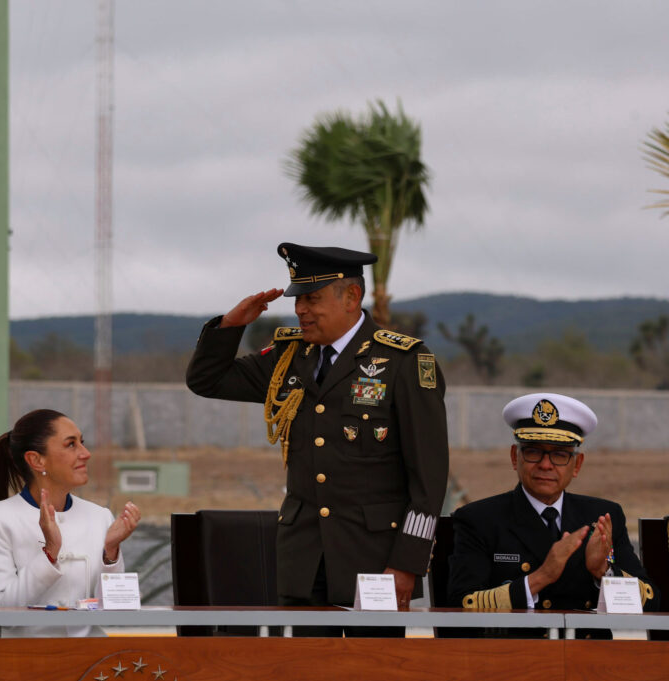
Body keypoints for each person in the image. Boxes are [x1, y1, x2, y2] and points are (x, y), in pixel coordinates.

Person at [186, 243, 449, 623]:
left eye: (312, 298)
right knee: (302, 670)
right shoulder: (289, 357)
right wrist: (230, 326)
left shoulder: (403, 362)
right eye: (297, 300)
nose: (300, 310)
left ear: (352, 297)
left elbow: (428, 478)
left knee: (370, 670)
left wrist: (407, 564)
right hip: (303, 559)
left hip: (374, 562)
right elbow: (206, 380)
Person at [448, 392, 659, 629]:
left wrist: (604, 571)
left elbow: (651, 602)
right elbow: (459, 605)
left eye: (559, 455)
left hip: (588, 656)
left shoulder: (602, 517)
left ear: (576, 465)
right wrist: (541, 577)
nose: (546, 464)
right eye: (533, 451)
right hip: (512, 656)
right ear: (514, 458)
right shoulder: (480, 519)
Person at [0, 409, 141, 637]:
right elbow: (2, 610)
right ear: (36, 459)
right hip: (23, 661)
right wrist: (49, 553)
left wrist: (110, 554)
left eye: (82, 442)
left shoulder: (100, 516)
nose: (86, 453)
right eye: (71, 445)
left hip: (91, 658)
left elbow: (117, 616)